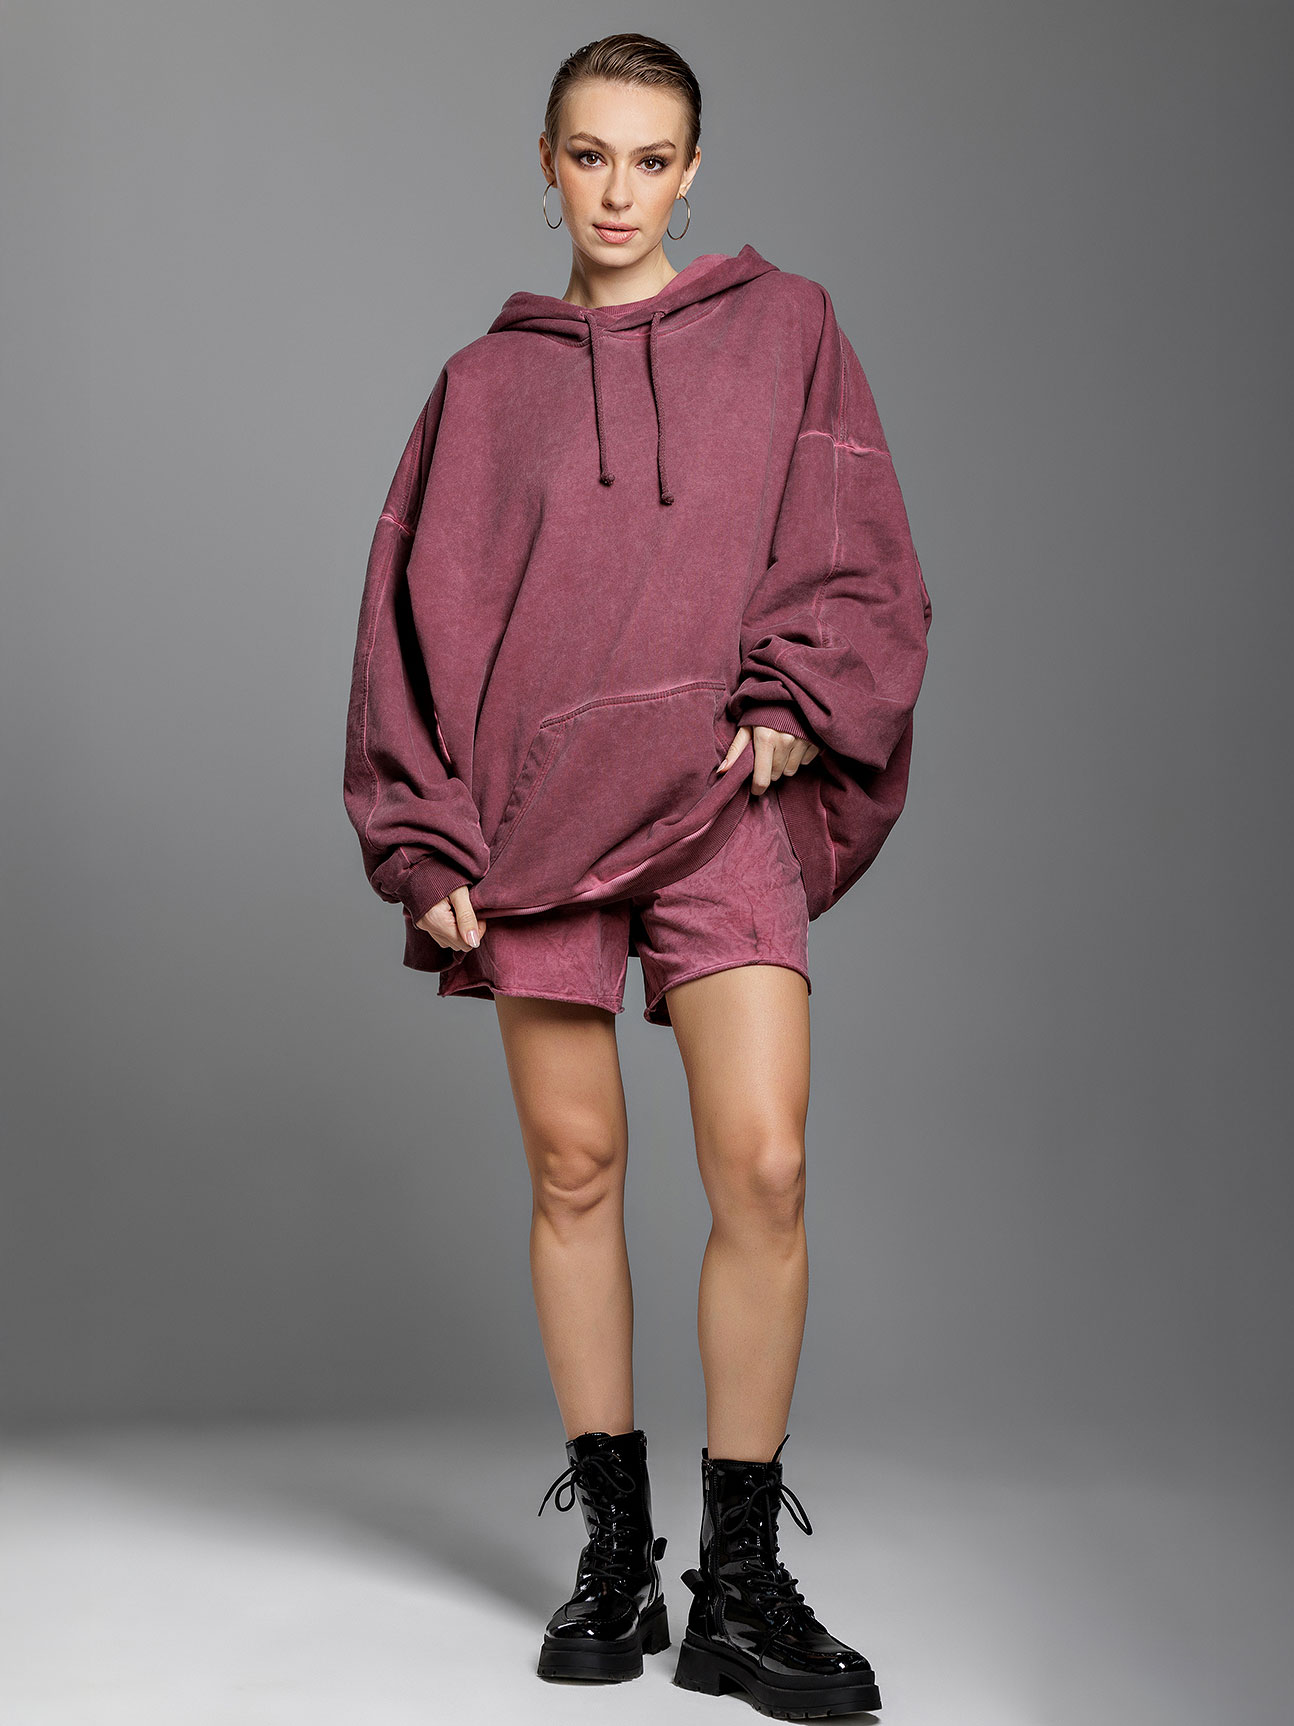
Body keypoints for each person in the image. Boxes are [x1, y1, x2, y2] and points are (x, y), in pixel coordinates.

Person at [343, 31, 932, 1718]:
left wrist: (794, 703)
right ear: (544, 165)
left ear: (692, 168)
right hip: (534, 815)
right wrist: (424, 830)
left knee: (764, 1163)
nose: (619, 191)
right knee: (576, 1167)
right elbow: (408, 624)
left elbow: (857, 553)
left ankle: (737, 1580)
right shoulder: (480, 386)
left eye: (650, 158)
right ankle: (617, 1552)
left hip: (716, 799)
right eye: (589, 156)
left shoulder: (786, 327)